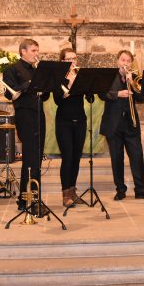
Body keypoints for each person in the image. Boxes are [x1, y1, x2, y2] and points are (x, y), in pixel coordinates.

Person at [99, 50, 144, 201]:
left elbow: (141, 98)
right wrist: (117, 94)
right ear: (117, 61)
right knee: (117, 158)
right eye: (123, 60)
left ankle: (140, 189)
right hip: (114, 124)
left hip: (131, 123)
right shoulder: (109, 76)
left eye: (128, 61)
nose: (126, 63)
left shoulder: (135, 78)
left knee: (137, 156)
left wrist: (131, 84)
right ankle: (120, 190)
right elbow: (102, 94)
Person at [3, 39, 50, 210]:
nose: (36, 53)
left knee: (36, 159)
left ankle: (27, 199)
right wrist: (30, 84)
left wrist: (44, 87)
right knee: (30, 158)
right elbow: (9, 93)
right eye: (33, 50)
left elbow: (44, 97)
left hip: (39, 115)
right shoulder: (12, 69)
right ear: (23, 51)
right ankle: (30, 200)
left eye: (37, 50)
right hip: (25, 116)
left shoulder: (37, 70)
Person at [53, 48, 93, 207]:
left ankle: (73, 191)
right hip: (64, 121)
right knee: (67, 157)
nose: (72, 61)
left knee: (76, 158)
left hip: (80, 120)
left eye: (74, 58)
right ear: (62, 61)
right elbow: (57, 100)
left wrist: (89, 87)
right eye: (68, 59)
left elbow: (90, 99)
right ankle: (65, 194)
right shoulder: (59, 77)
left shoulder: (80, 76)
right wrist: (68, 86)